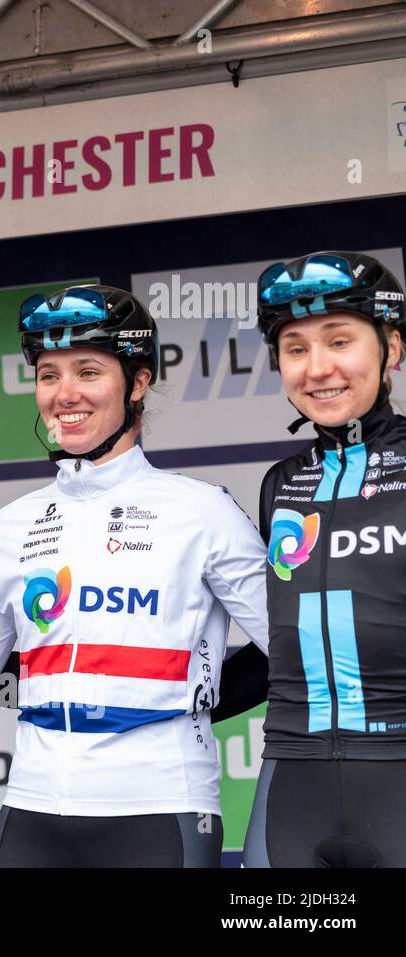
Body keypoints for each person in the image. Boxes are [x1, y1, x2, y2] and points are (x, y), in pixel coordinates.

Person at [0, 285, 271, 867]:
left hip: (161, 806)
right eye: (49, 374)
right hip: (31, 810)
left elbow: (291, 653)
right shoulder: (9, 528)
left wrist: (194, 703)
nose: (65, 394)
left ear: (137, 383)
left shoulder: (203, 511)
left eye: (88, 371)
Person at [244, 250, 406, 867]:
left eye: (340, 340)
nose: (318, 369)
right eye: (295, 349)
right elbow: (278, 643)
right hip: (293, 777)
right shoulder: (280, 484)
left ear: (391, 348)